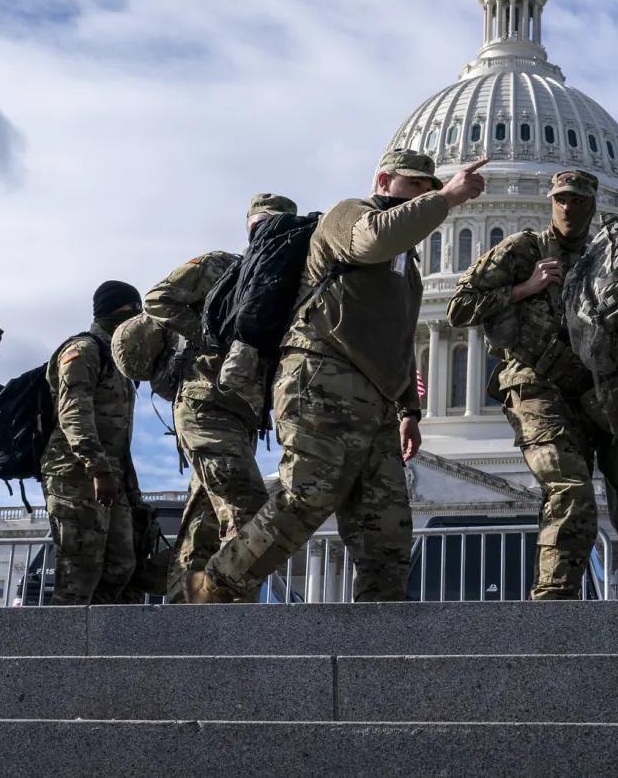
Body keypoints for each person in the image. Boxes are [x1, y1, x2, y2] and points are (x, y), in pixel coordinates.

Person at [190, 151, 487, 603]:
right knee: (305, 499)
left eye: (430, 188)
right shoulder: (348, 214)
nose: (424, 194)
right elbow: (371, 241)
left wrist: (410, 409)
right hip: (322, 378)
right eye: (415, 185)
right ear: (385, 179)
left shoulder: (406, 267)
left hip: (378, 401)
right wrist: (446, 198)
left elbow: (401, 337)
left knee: (386, 529)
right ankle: (216, 585)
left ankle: (380, 634)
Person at [447, 170, 607, 599]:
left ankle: (562, 594)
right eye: (562, 199)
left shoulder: (602, 260)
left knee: (577, 501)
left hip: (583, 395)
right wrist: (524, 289)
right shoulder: (524, 248)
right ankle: (552, 603)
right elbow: (459, 308)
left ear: (592, 205)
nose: (569, 207)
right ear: (551, 202)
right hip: (533, 385)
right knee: (569, 488)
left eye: (578, 200)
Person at [144, 193, 297, 602]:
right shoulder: (220, 265)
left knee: (205, 524)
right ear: (249, 227)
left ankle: (186, 612)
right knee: (248, 508)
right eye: (262, 223)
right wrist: (213, 335)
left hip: (243, 414)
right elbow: (157, 299)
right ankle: (227, 615)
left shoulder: (282, 278)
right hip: (204, 403)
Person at [40, 281, 143, 605]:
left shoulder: (120, 359)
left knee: (121, 566)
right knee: (78, 575)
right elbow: (74, 413)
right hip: (76, 475)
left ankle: (97, 649)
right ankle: (61, 652)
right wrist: (98, 468)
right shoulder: (84, 350)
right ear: (122, 310)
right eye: (134, 310)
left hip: (111, 476)